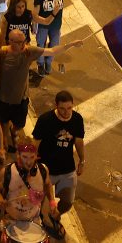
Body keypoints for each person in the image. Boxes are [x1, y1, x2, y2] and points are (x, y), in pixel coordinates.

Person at [0, 29, 83, 153]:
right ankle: (4, 143)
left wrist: (71, 44)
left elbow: (52, 51)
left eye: (24, 41)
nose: (23, 45)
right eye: (19, 42)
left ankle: (13, 131)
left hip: (21, 99)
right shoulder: (2, 53)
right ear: (10, 41)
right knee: (3, 123)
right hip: (3, 99)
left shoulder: (28, 51)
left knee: (19, 125)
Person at [0, 136, 64, 238]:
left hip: (33, 219)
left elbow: (48, 185)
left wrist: (52, 203)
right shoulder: (6, 172)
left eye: (32, 157)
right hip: (11, 219)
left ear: (36, 155)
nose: (29, 162)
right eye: (25, 157)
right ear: (18, 155)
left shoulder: (43, 170)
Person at [32, 90, 85, 219]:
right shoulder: (45, 120)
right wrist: (31, 164)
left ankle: (55, 215)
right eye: (62, 108)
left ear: (73, 105)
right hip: (45, 169)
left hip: (67, 169)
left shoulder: (77, 119)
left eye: (69, 108)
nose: (66, 112)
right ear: (56, 106)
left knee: (67, 202)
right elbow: (36, 143)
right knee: (36, 203)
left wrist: (82, 160)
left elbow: (78, 141)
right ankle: (36, 220)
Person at [34, 0, 80, 76]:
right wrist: (38, 23)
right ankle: (41, 64)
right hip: (43, 26)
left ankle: (48, 62)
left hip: (56, 26)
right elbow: (35, 13)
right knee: (40, 46)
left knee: (55, 45)